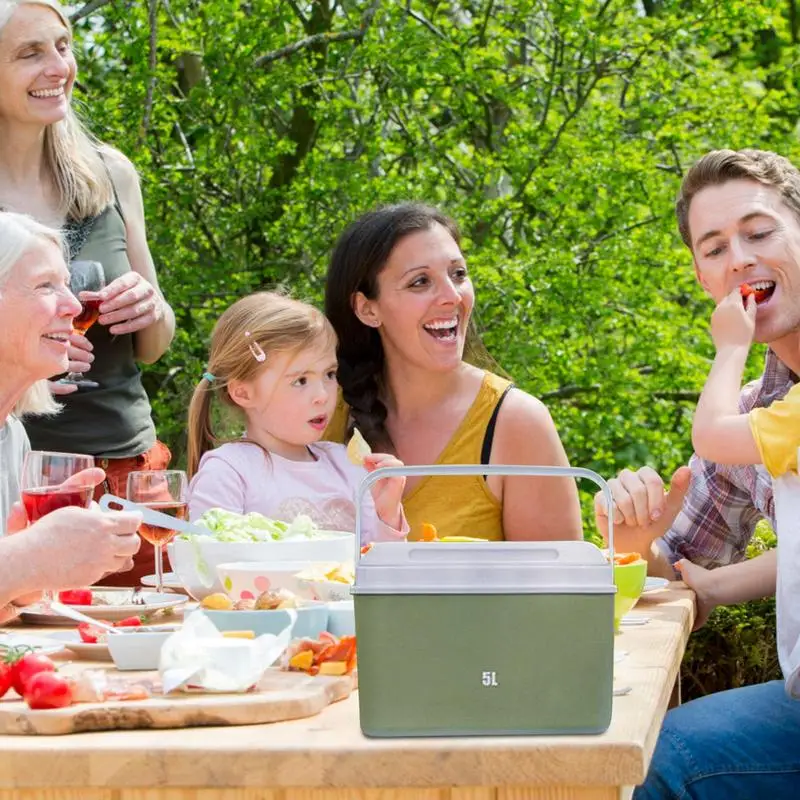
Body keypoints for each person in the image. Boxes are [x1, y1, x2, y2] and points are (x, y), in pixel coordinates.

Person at [619, 149, 800, 797]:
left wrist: (729, 349)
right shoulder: (759, 414)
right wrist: (634, 542)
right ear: (701, 275)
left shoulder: (739, 423)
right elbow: (681, 562)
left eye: (759, 232)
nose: (741, 258)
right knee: (651, 757)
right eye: (716, 246)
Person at [0, 0, 176, 586]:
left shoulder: (110, 172)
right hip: (25, 480)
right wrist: (27, 371)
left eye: (62, 46)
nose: (59, 67)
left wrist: (153, 307)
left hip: (129, 467)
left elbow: (153, 347)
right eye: (30, 53)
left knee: (146, 645)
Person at [323, 202, 583, 541]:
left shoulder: (517, 422)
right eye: (420, 282)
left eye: (458, 274)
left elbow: (559, 586)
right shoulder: (320, 409)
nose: (452, 295)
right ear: (367, 309)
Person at [0, 211, 142, 624]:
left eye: (67, 284)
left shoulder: (12, 437)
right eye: (46, 285)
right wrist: (30, 557)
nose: (75, 304)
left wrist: (43, 568)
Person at [185, 293, 409, 543]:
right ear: (243, 392)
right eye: (300, 380)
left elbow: (380, 573)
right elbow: (209, 569)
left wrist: (387, 514)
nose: (323, 395)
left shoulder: (347, 466)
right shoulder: (228, 473)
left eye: (330, 374)